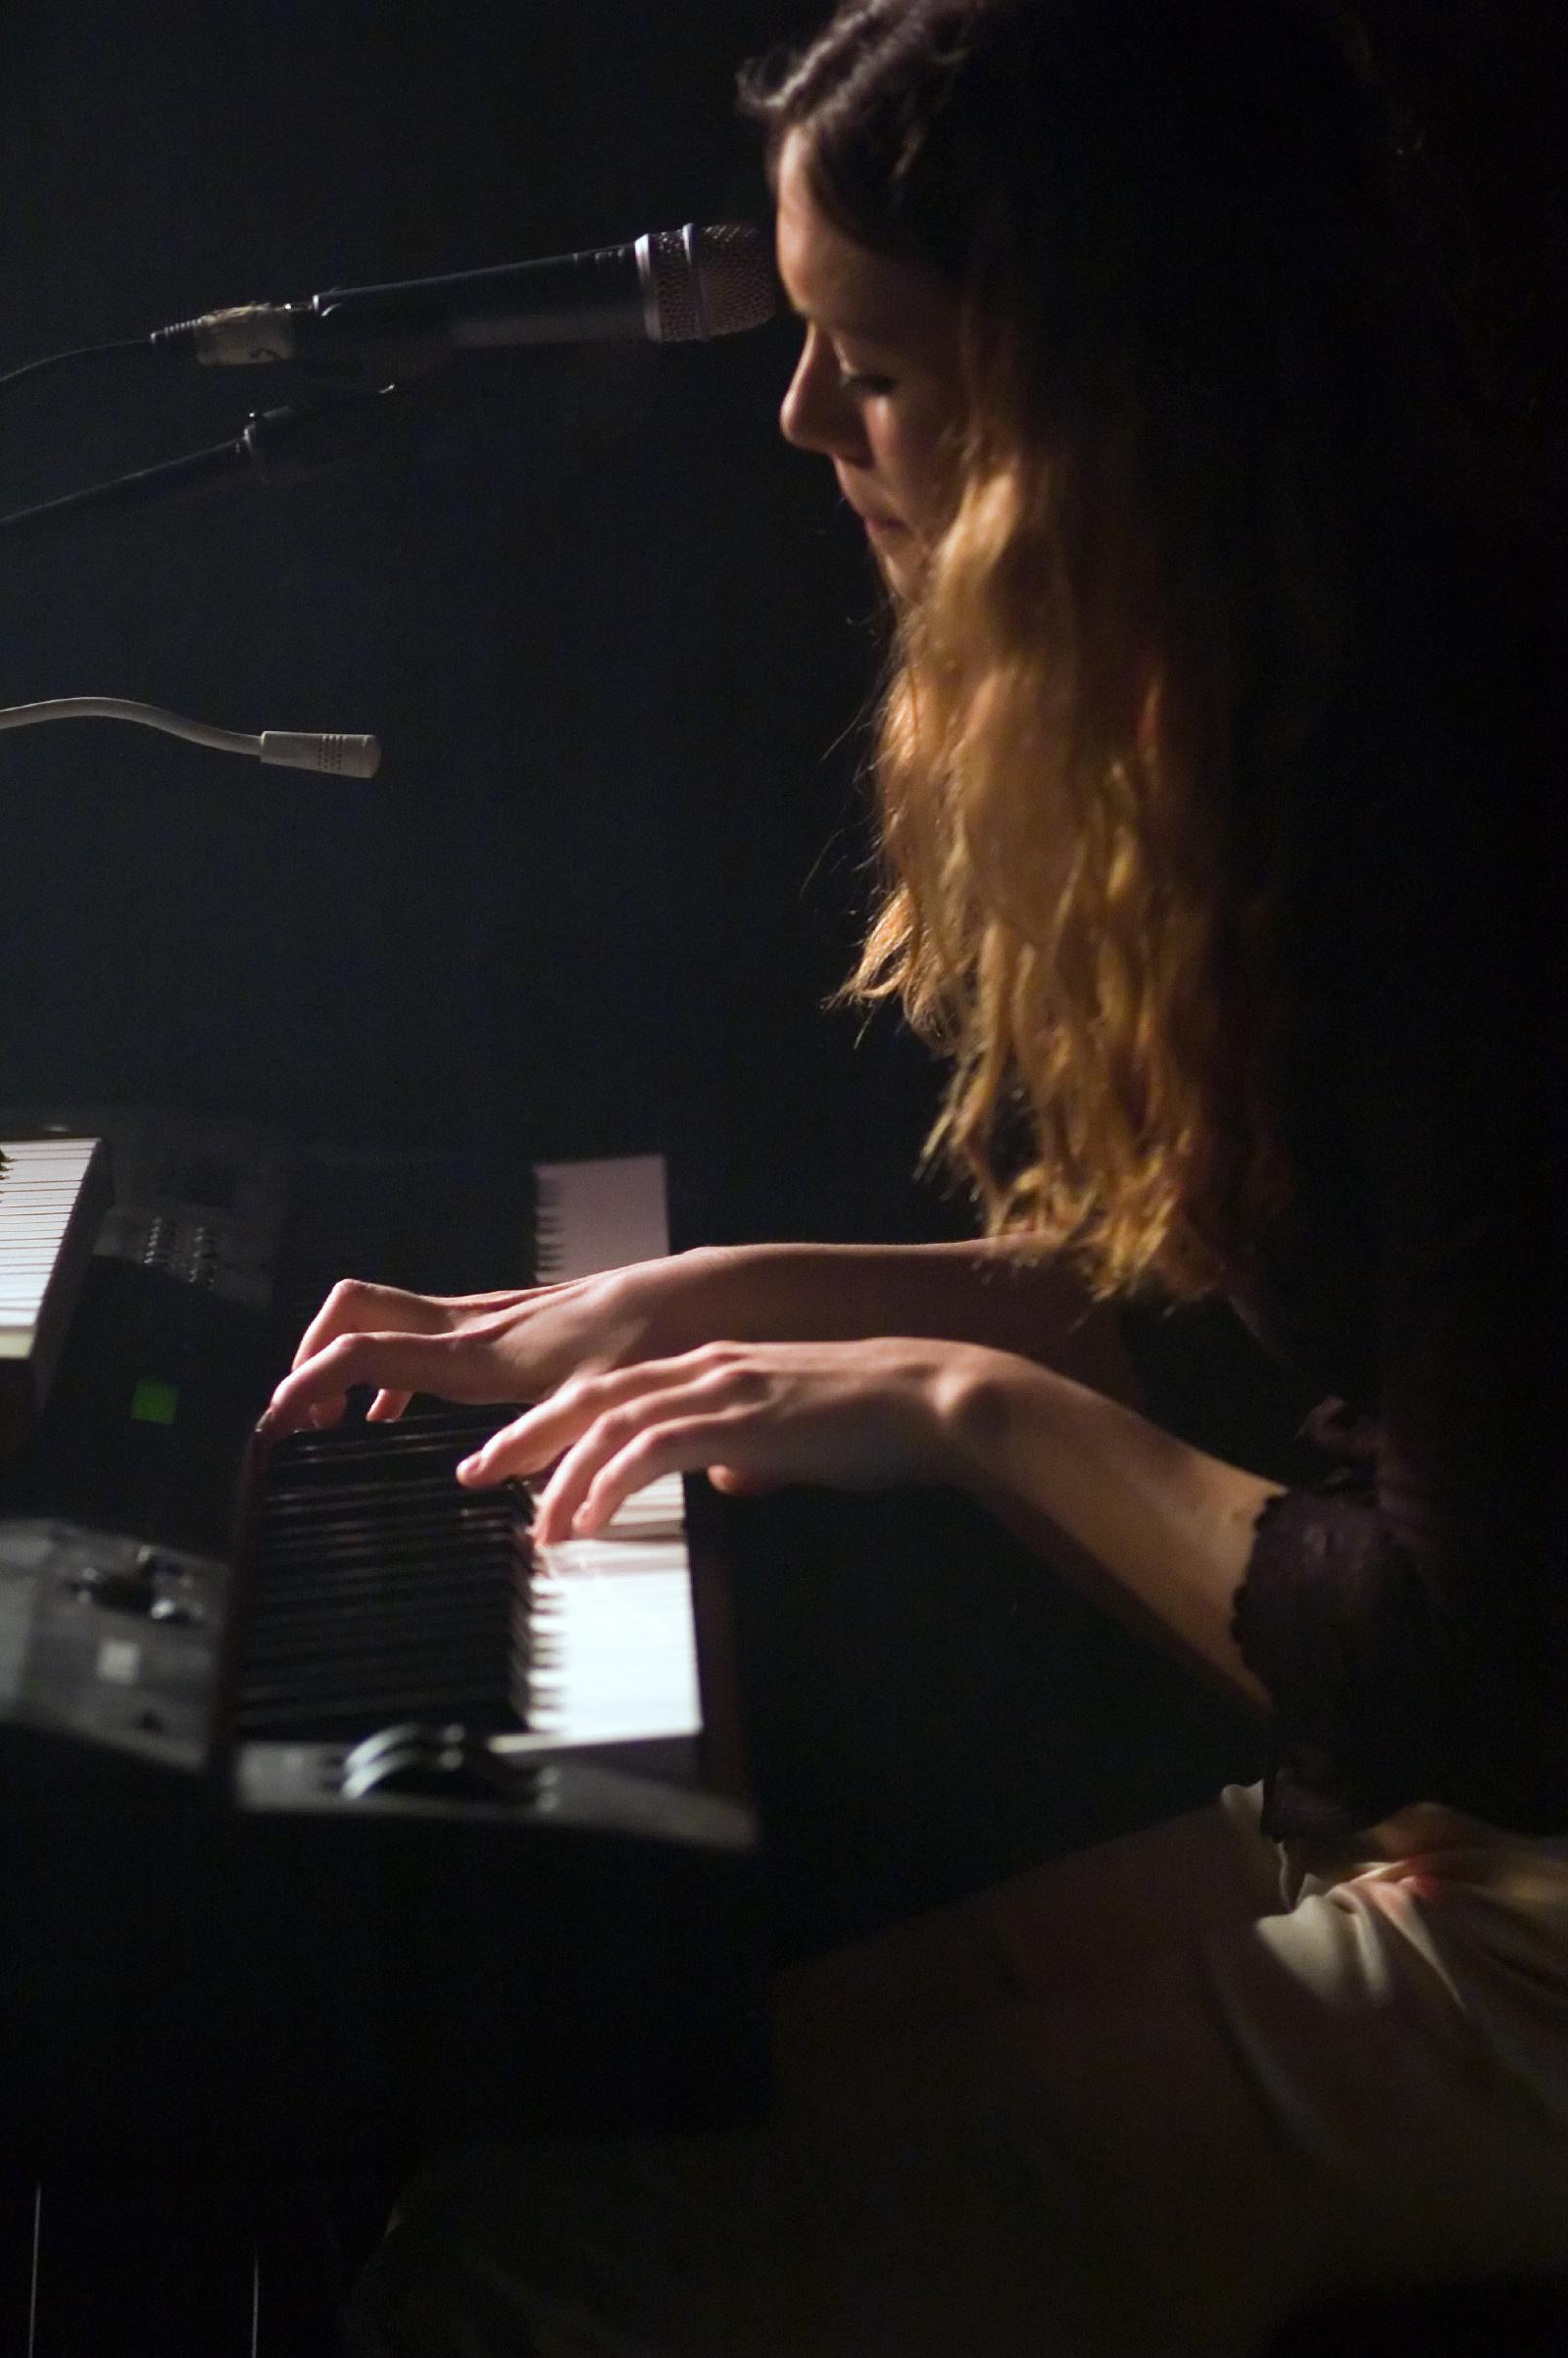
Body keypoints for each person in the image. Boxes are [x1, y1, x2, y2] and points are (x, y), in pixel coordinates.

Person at [262, 1, 1564, 2348]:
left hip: (1522, 1881)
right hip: (1433, 1821)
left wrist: (959, 1411)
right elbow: (1283, 1349)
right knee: (580, 2139)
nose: (795, 416)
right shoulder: (1296, 692)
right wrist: (714, 1300)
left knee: (527, 2273)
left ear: (1105, 387)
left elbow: (1472, 1661)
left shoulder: (1460, 795)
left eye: (867, 363)